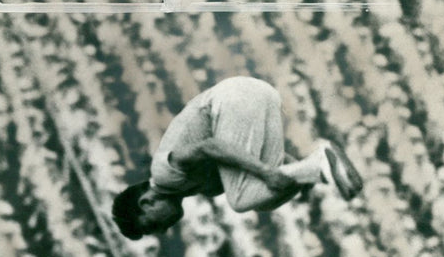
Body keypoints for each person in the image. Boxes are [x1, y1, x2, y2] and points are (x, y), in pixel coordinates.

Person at [111, 76, 362, 239]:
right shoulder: (204, 189)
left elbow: (210, 146)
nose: (164, 229)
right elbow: (253, 151)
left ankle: (319, 163)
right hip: (261, 95)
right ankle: (318, 168)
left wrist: (267, 172)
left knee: (240, 200)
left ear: (146, 204)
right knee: (264, 200)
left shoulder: (164, 173)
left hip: (235, 98)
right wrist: (294, 174)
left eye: (152, 226)